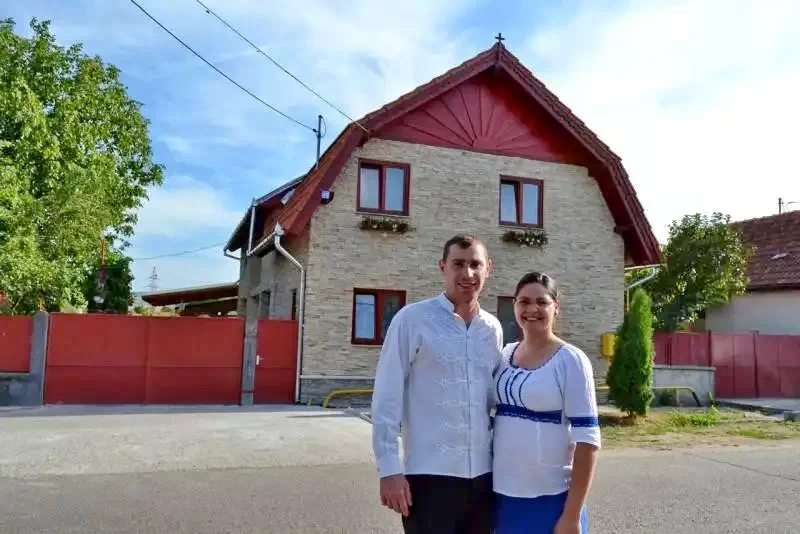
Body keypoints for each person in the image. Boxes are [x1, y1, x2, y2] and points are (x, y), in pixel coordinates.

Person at [370, 234, 504, 534]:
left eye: (475, 264)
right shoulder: (412, 320)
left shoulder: (492, 329)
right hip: (429, 478)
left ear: (488, 269)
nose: (467, 274)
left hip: (484, 479)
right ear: (443, 266)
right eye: (458, 264)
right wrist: (389, 469)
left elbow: (492, 404)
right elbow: (386, 398)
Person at [492, 271, 601, 534]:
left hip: (551, 501)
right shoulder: (505, 354)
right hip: (501, 498)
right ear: (514, 306)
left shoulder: (571, 360)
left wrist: (572, 515)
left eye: (542, 302)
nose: (532, 309)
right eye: (524, 301)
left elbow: (588, 441)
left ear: (556, 307)